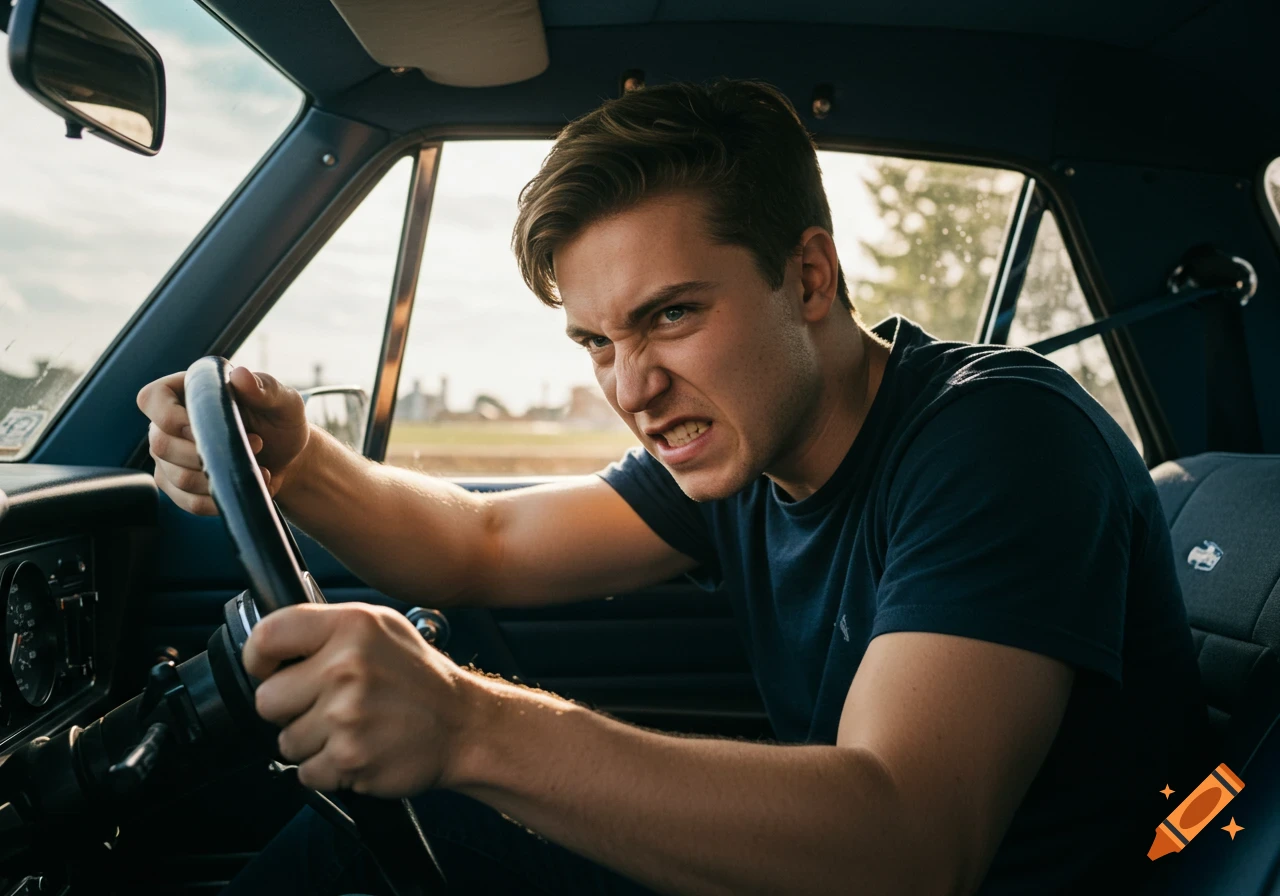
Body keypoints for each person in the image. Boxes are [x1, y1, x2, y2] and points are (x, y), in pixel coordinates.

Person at [136, 79, 1205, 895]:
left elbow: (905, 837)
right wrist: (298, 463)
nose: (631, 385)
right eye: (596, 339)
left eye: (669, 315)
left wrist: (465, 723)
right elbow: (485, 543)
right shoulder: (736, 444)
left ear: (809, 277)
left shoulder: (995, 435)